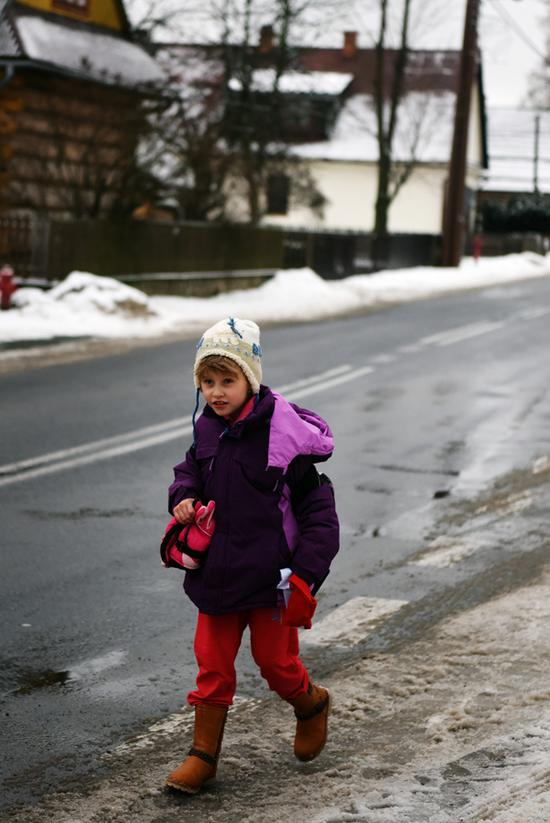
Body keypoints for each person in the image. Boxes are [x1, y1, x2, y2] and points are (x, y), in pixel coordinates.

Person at [164, 317, 339, 794]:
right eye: (207, 381)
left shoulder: (284, 438)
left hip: (270, 579)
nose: (216, 392)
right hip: (218, 577)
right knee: (212, 666)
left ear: (250, 379)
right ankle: (203, 756)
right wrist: (183, 495)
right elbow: (188, 472)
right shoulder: (207, 431)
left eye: (227, 380)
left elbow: (319, 514)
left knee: (275, 664)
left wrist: (305, 575)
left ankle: (311, 704)